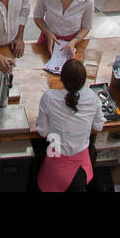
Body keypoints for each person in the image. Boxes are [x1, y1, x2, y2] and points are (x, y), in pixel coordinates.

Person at [36, 58, 104, 192]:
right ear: (84, 81)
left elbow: (42, 132)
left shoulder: (49, 97)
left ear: (61, 78)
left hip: (55, 168)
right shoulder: (93, 97)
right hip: (81, 168)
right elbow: (98, 126)